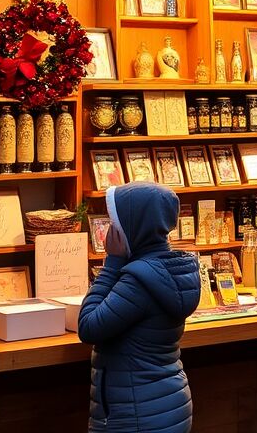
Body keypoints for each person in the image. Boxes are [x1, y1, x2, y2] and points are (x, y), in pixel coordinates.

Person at [79, 182, 201, 433]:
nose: (110, 231)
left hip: (137, 414)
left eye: (116, 223)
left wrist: (112, 263)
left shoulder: (139, 281)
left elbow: (88, 326)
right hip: (166, 405)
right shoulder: (165, 269)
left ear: (133, 226)